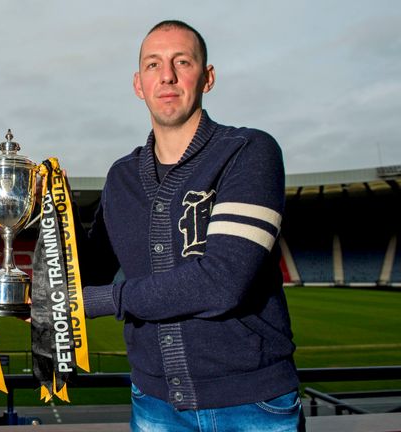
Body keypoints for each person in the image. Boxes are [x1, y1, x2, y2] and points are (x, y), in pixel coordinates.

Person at [81, 20, 304, 431]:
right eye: (153, 65)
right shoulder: (122, 177)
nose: (166, 75)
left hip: (252, 405)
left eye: (181, 61)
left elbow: (221, 282)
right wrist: (40, 258)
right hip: (154, 406)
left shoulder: (249, 152)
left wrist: (95, 302)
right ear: (138, 84)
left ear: (208, 77)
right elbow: (86, 269)